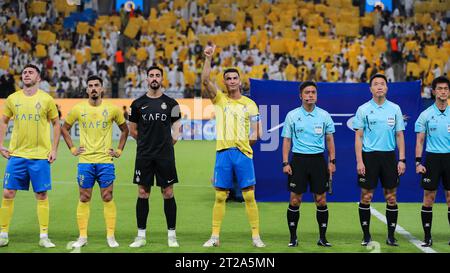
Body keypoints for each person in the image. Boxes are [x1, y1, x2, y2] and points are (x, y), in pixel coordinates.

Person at [201, 44, 265, 248]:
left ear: (240, 81)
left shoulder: (250, 104)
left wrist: (246, 143)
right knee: (220, 196)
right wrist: (208, 58)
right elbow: (204, 80)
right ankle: (214, 237)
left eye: (234, 78)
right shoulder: (220, 100)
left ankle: (256, 237)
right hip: (223, 153)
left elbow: (258, 131)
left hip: (243, 154)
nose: (231, 82)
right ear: (225, 82)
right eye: (227, 79)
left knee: (249, 195)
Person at [60, 75, 129, 248]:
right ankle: (82, 236)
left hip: (106, 161)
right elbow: (64, 128)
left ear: (102, 89)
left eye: (96, 85)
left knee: (107, 196)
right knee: (84, 197)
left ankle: (110, 236)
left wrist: (119, 150)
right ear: (86, 90)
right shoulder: (78, 108)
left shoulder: (112, 109)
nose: (93, 88)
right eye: (90, 86)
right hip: (85, 161)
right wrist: (73, 149)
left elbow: (125, 130)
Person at [0, 64, 61, 248]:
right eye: (24, 72)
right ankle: (3, 233)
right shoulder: (12, 98)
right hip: (17, 155)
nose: (26, 75)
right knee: (8, 192)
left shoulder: (47, 99)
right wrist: (0, 144)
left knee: (41, 194)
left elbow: (56, 124)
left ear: (38, 78)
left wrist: (54, 149)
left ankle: (44, 236)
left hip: (40, 156)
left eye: (30, 72)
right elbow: (4, 120)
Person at [128, 66, 182, 248]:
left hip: (165, 156)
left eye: (157, 75)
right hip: (144, 155)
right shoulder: (137, 104)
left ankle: (172, 235)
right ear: (146, 79)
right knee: (143, 193)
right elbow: (132, 129)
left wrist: (168, 144)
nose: (154, 78)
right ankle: (141, 236)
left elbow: (177, 128)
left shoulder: (172, 103)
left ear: (162, 78)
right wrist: (145, 143)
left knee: (168, 193)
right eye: (151, 75)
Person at [353, 73, 406, 247]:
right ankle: (366, 235)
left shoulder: (395, 109)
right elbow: (358, 137)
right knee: (366, 196)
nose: (379, 86)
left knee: (391, 197)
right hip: (369, 157)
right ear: (371, 89)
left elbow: (400, 135)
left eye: (382, 83)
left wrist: (402, 160)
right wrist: (360, 161)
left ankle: (391, 236)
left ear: (387, 87)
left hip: (389, 157)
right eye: (376, 84)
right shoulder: (363, 109)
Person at [281, 81, 336, 247]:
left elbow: (329, 140)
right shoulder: (292, 115)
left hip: (318, 161)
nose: (310, 95)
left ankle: (322, 238)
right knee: (295, 199)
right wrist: (285, 162)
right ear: (301, 95)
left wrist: (332, 161)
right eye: (307, 92)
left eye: (313, 92)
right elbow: (287, 141)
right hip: (298, 160)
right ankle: (293, 238)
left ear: (316, 95)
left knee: (321, 200)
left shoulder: (324, 115)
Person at [414, 76, 450, 247]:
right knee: (429, 198)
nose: (443, 91)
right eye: (440, 89)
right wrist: (418, 162)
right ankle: (427, 236)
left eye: (446, 89)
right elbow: (420, 140)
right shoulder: (425, 115)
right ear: (434, 91)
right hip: (432, 159)